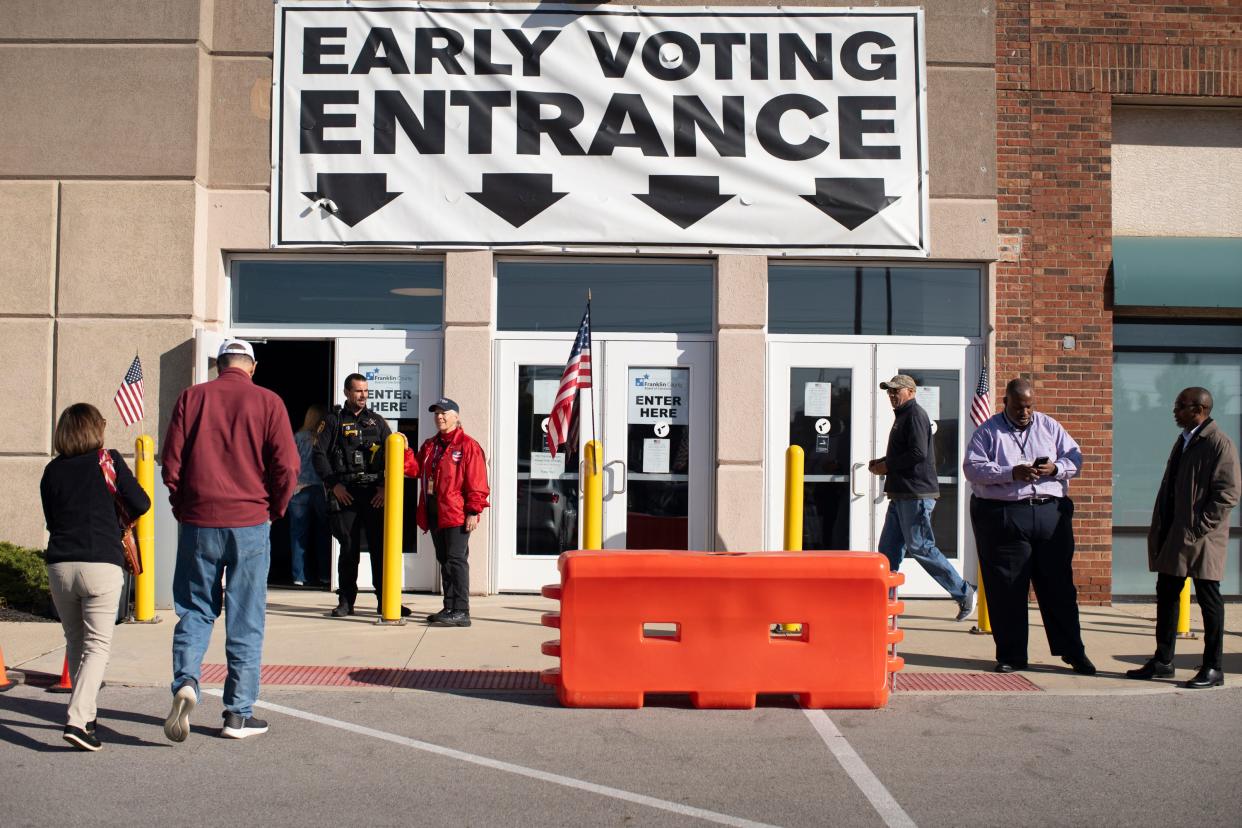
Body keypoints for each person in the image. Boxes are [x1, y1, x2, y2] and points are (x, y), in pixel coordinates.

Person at [160, 339, 299, 741]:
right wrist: (275, 508)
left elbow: (172, 464)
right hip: (251, 521)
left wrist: (183, 506)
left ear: (218, 365)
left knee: (196, 609)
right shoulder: (268, 401)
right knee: (246, 617)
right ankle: (237, 714)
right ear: (251, 367)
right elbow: (287, 466)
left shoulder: (192, 398)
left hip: (200, 521)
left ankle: (186, 681)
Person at [963, 378, 1096, 675]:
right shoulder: (988, 431)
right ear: (1006, 403)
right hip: (1006, 516)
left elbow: (1075, 457)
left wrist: (1056, 468)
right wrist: (1012, 472)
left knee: (1058, 587)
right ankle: (1012, 655)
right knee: (1008, 588)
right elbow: (972, 469)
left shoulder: (1049, 426)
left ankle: (1074, 652)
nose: (1025, 412)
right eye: (1019, 406)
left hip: (1049, 515)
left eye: (1029, 406)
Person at [40, 403, 151, 751]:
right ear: (94, 430)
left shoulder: (51, 471)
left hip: (59, 565)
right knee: (97, 645)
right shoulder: (108, 460)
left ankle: (86, 717)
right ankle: (76, 719)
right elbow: (142, 502)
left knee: (75, 642)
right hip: (100, 562)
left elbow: (51, 519)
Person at [1127, 387, 1239, 688]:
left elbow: (1228, 494)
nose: (1174, 411)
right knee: (1166, 595)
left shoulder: (1218, 443)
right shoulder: (1186, 439)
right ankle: (1163, 661)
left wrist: (1198, 528)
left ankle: (1214, 668)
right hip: (1176, 536)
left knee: (1209, 600)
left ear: (1199, 409)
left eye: (1180, 406)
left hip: (1202, 540)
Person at [869, 375, 976, 621]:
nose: (892, 395)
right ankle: (885, 602)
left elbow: (918, 453)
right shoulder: (903, 416)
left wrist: (887, 466)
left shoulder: (915, 415)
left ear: (911, 392)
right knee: (888, 551)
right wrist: (883, 462)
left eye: (897, 391)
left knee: (921, 547)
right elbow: (908, 453)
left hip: (915, 494)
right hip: (901, 495)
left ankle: (963, 591)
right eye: (889, 391)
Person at [313, 373, 409, 618]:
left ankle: (386, 601)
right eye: (358, 391)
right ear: (347, 392)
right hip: (346, 494)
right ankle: (346, 601)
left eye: (366, 391)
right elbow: (319, 455)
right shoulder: (333, 421)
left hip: (374, 495)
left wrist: (386, 488)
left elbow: (396, 456)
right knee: (349, 549)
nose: (363, 395)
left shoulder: (376, 422)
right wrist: (334, 485)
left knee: (381, 549)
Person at [413, 397, 490, 627]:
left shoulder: (468, 445)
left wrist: (473, 511)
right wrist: (401, 450)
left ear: (456, 416)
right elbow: (416, 468)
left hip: (457, 513)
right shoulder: (430, 445)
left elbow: (477, 482)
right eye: (436, 413)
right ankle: (449, 606)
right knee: (444, 559)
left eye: (444, 412)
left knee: (456, 560)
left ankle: (461, 610)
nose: (440, 417)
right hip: (435, 510)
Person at [289, 403, 330, 586]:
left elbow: (289, 462)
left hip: (299, 489)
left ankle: (299, 575)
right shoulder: (323, 438)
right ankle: (325, 574)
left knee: (299, 534)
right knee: (323, 533)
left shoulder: (298, 436)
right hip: (321, 488)